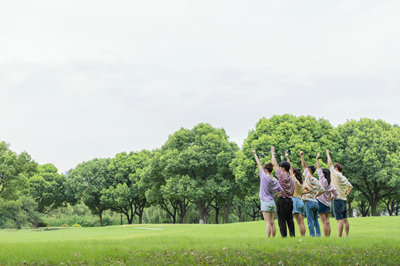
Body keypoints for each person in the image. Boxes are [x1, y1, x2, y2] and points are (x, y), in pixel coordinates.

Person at [252, 150, 283, 238]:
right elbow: (281, 191)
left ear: (265, 170)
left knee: (268, 222)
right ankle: (273, 238)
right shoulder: (275, 180)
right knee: (272, 222)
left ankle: (268, 239)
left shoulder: (263, 176)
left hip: (265, 202)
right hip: (272, 202)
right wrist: (275, 195)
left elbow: (258, 164)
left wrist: (255, 154)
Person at [326, 150, 353, 237]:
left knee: (339, 220)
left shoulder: (335, 174)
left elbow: (330, 163)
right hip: (344, 200)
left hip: (337, 200)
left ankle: (339, 237)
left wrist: (328, 153)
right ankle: (346, 236)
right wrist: (346, 195)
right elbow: (350, 187)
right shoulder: (344, 178)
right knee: (345, 219)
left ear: (336, 169)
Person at [271, 146, 295, 237]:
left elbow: (274, 164)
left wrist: (272, 152)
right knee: (290, 220)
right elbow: (292, 192)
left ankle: (284, 237)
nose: (280, 168)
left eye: (281, 167)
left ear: (283, 168)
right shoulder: (292, 179)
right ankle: (292, 236)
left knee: (281, 220)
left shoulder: (282, 176)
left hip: (282, 201)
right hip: (290, 200)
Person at [300, 151, 325, 237]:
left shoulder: (309, 177)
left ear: (309, 171)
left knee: (310, 221)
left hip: (309, 202)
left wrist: (302, 156)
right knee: (316, 221)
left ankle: (312, 236)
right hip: (315, 202)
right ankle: (318, 236)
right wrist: (315, 195)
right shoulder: (317, 181)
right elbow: (322, 191)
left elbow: (303, 166)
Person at [316, 153, 338, 237]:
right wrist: (331, 198)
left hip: (321, 202)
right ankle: (328, 237)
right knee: (327, 221)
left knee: (323, 222)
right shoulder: (330, 184)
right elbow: (336, 193)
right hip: (328, 204)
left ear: (324, 174)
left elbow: (318, 170)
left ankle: (325, 238)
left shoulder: (322, 181)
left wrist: (317, 159)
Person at [285, 153, 306, 236]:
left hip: (295, 201)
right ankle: (303, 237)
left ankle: (301, 237)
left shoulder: (295, 181)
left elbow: (290, 168)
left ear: (294, 174)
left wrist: (287, 158)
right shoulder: (302, 183)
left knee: (299, 223)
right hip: (301, 201)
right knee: (302, 222)